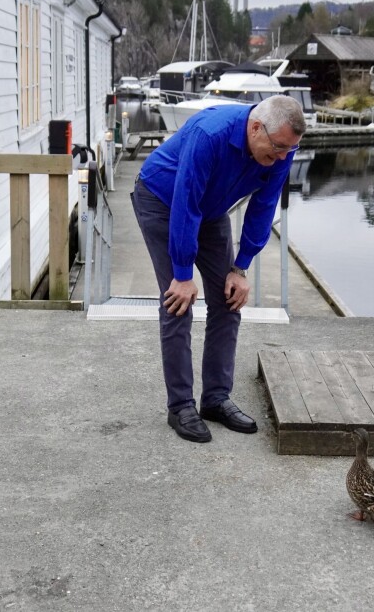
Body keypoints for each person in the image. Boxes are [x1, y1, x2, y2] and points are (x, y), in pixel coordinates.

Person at [131, 95, 306, 443]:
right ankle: (181, 406)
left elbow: (264, 204)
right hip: (163, 201)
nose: (283, 157)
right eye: (278, 148)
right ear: (255, 128)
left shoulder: (282, 148)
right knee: (177, 302)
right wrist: (183, 274)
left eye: (289, 149)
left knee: (229, 299)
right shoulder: (209, 134)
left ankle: (215, 398)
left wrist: (241, 268)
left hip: (211, 211)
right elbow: (186, 201)